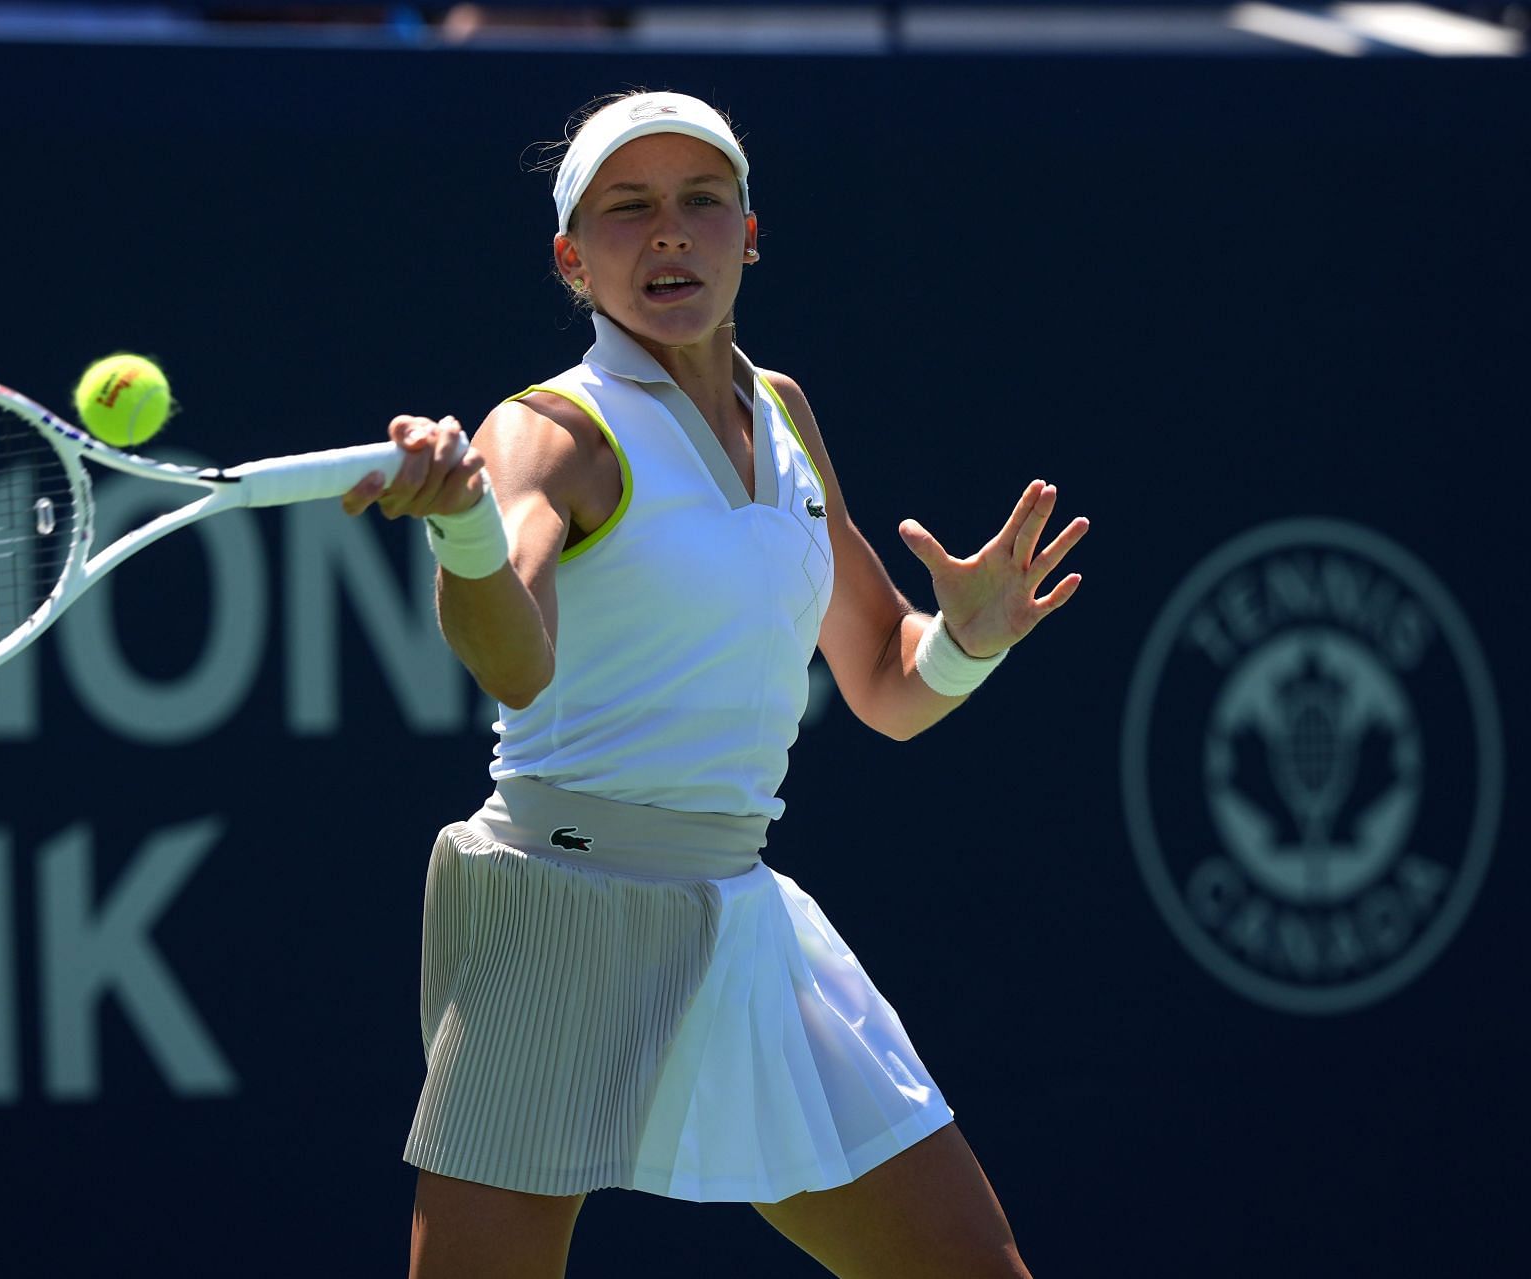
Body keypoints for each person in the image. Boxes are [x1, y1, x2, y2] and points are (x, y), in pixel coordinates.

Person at [341, 91, 1087, 1279]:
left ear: (750, 232)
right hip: (558, 907)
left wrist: (969, 640)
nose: (670, 233)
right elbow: (514, 661)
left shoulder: (782, 410)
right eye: (629, 211)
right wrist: (467, 533)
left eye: (701, 201)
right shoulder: (549, 432)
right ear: (572, 260)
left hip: (742, 916)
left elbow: (889, 684)